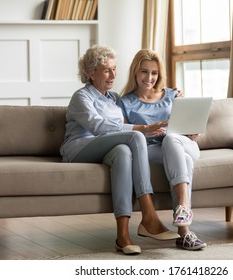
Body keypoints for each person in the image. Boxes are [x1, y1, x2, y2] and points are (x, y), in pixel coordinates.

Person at [60, 45, 179, 255]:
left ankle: (122, 235)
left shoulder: (113, 98)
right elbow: (97, 127)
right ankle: (149, 214)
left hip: (106, 147)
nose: (113, 75)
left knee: (124, 152)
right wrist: (141, 129)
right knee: (134, 136)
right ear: (91, 72)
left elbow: (141, 106)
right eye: (107, 70)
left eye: (114, 69)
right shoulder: (82, 97)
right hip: (80, 148)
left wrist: (170, 94)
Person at [118, 49, 207, 251]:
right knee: (183, 160)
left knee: (171, 139)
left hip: (183, 143)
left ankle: (184, 206)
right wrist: (148, 132)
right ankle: (185, 230)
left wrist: (192, 131)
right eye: (144, 72)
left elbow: (188, 124)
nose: (149, 78)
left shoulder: (173, 95)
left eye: (154, 73)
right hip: (151, 151)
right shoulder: (124, 103)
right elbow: (123, 134)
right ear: (135, 72)